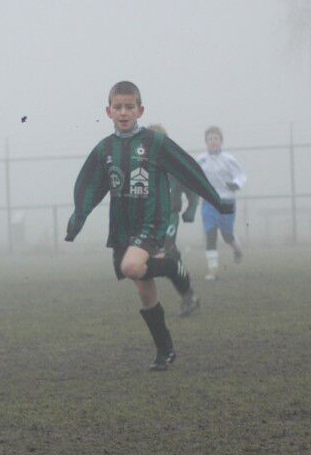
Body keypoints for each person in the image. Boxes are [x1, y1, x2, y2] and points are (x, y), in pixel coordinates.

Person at [65, 81, 232, 370]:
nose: (124, 112)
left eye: (129, 107)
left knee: (131, 266)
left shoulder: (155, 144)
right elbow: (89, 186)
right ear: (108, 112)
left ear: (140, 110)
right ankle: (165, 351)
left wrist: (214, 200)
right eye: (118, 107)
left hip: (151, 222)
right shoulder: (105, 149)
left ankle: (171, 266)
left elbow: (188, 169)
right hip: (122, 227)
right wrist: (77, 220)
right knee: (144, 290)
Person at [147, 123, 200, 317]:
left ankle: (187, 296)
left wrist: (191, 210)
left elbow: (193, 190)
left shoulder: (175, 166)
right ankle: (187, 293)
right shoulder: (143, 168)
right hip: (149, 220)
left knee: (166, 251)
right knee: (164, 257)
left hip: (170, 216)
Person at [194, 126, 247, 280]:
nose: (213, 141)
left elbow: (241, 175)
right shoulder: (201, 159)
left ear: (221, 141)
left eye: (216, 138)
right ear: (206, 142)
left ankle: (237, 249)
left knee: (227, 235)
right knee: (210, 233)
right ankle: (213, 270)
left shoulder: (228, 159)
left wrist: (236, 184)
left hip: (227, 201)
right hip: (209, 201)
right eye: (210, 139)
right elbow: (193, 174)